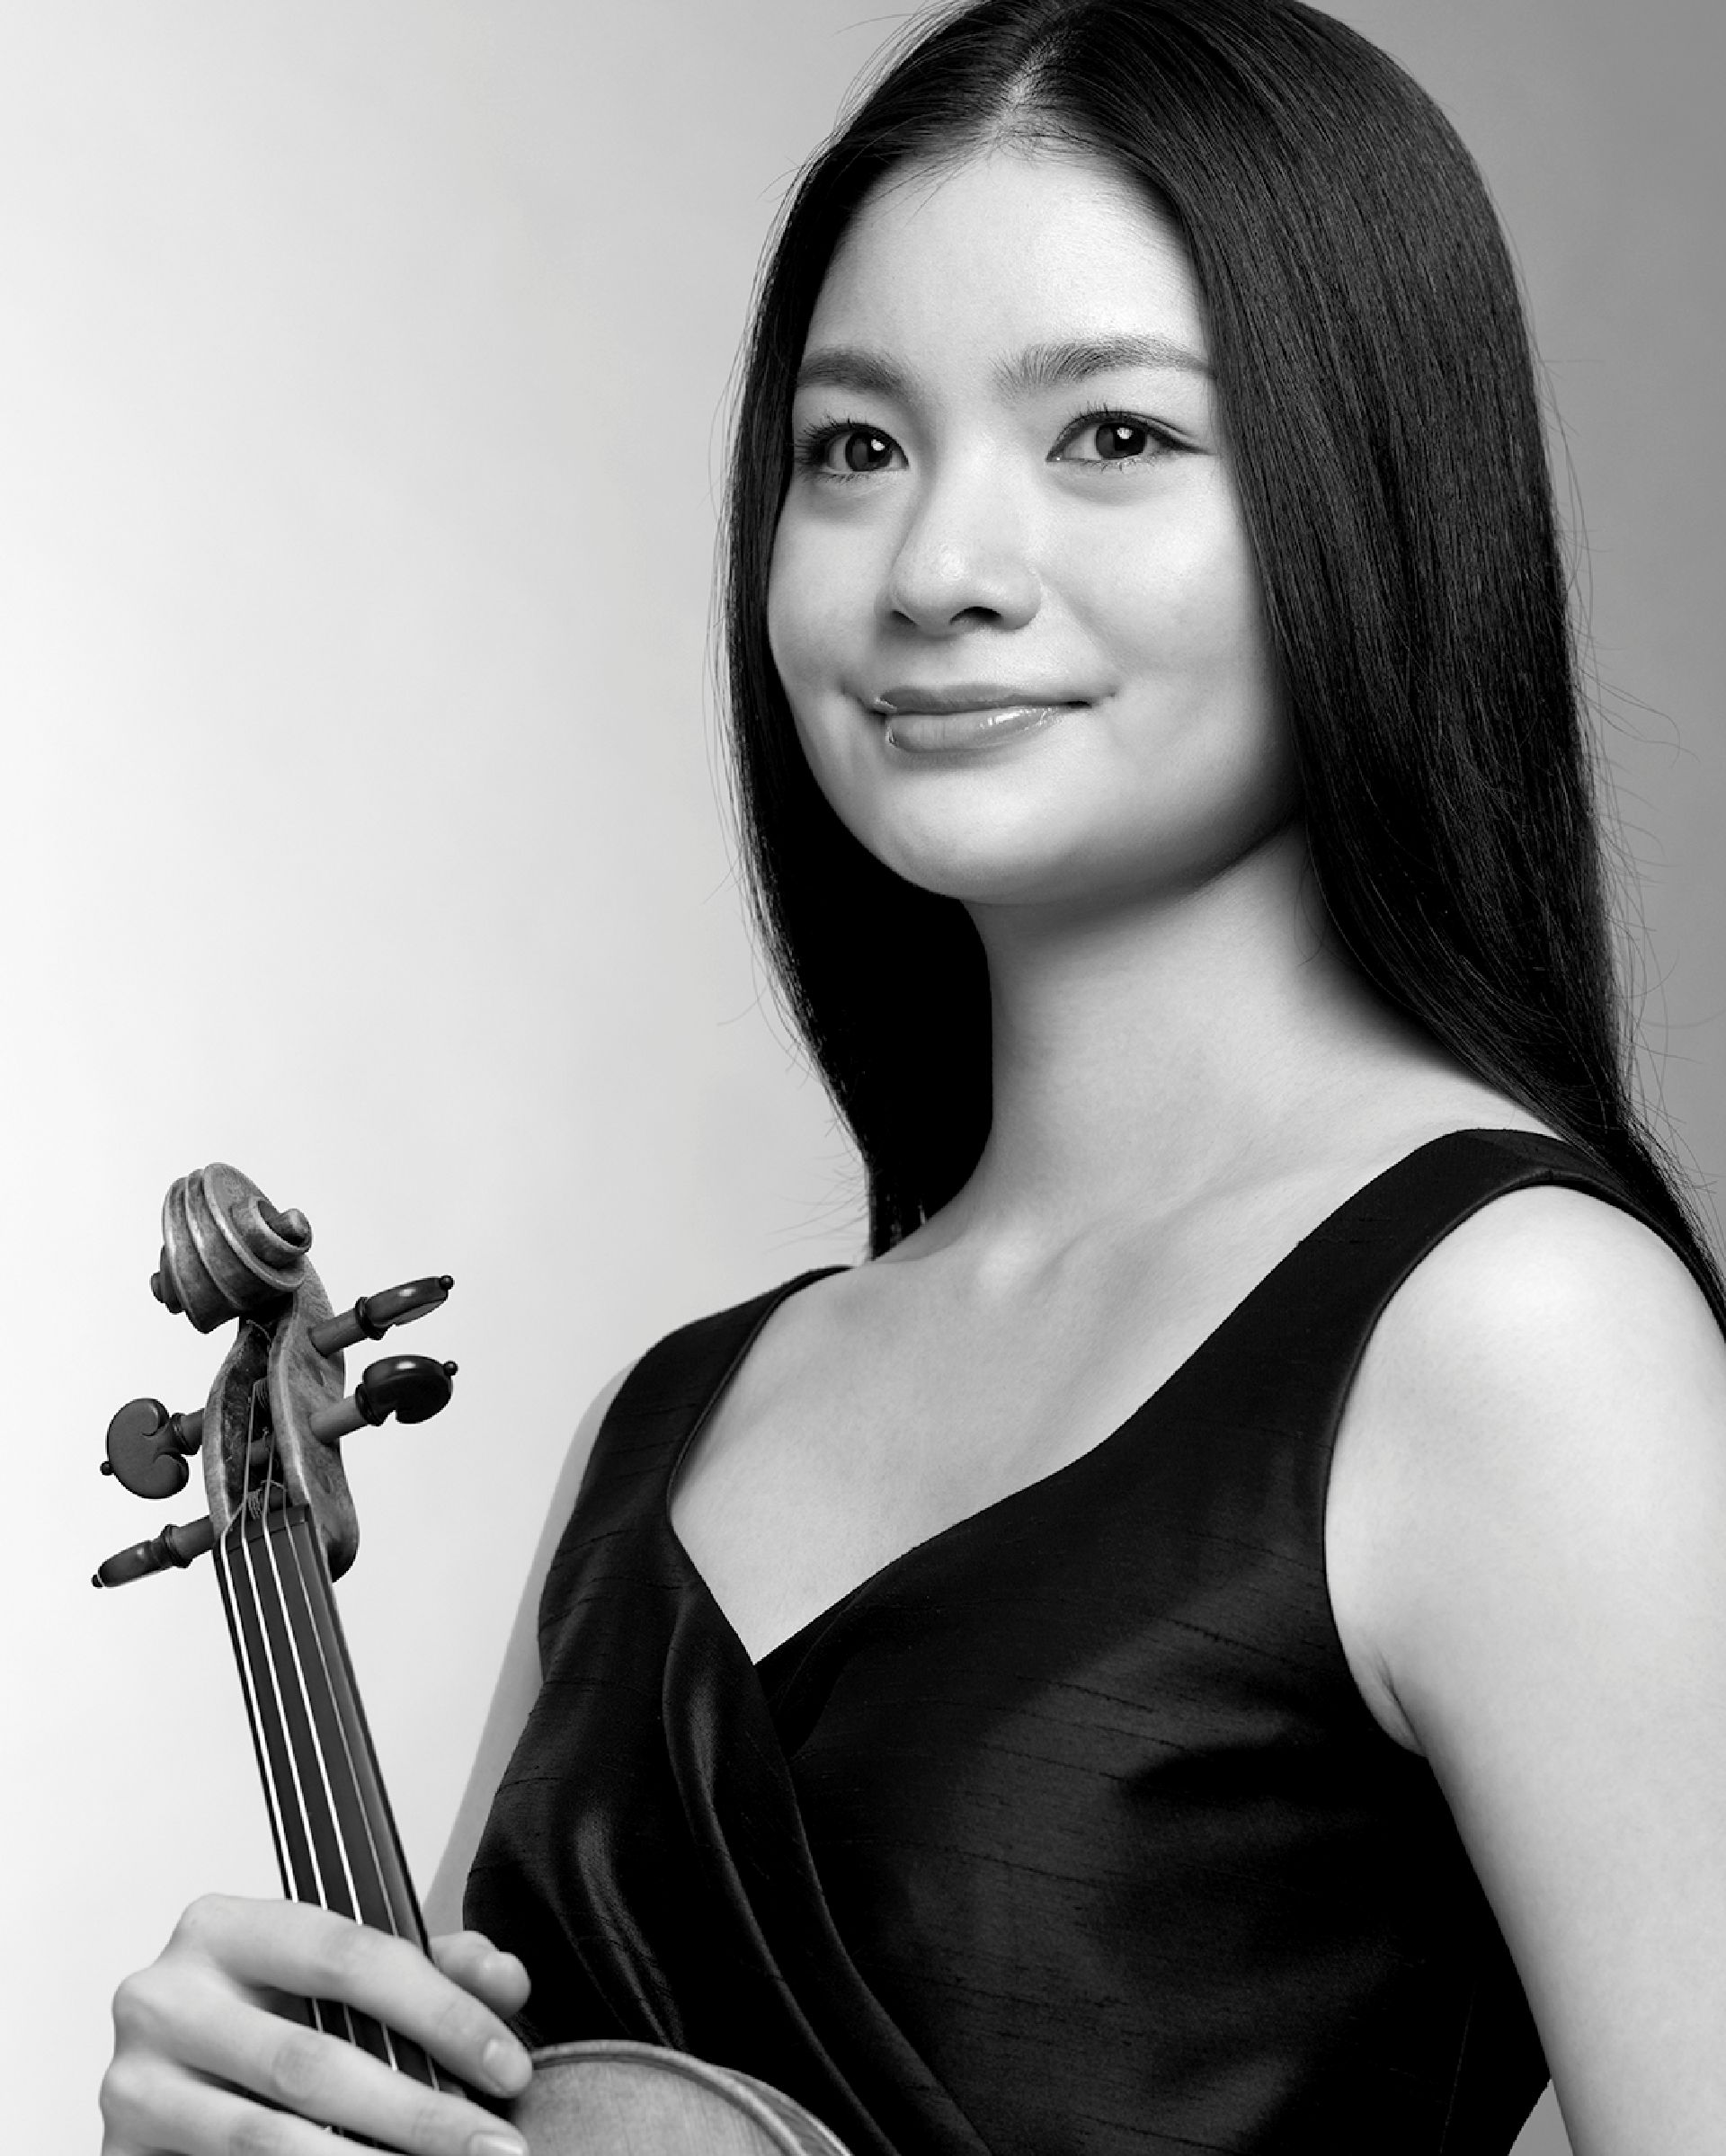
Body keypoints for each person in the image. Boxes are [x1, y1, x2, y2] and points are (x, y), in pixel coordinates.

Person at [99, 0, 1726, 2152]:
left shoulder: (1518, 1338)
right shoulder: (673, 1424)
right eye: (854, 449)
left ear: (1377, 500)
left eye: (1114, 435)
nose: (939, 572)